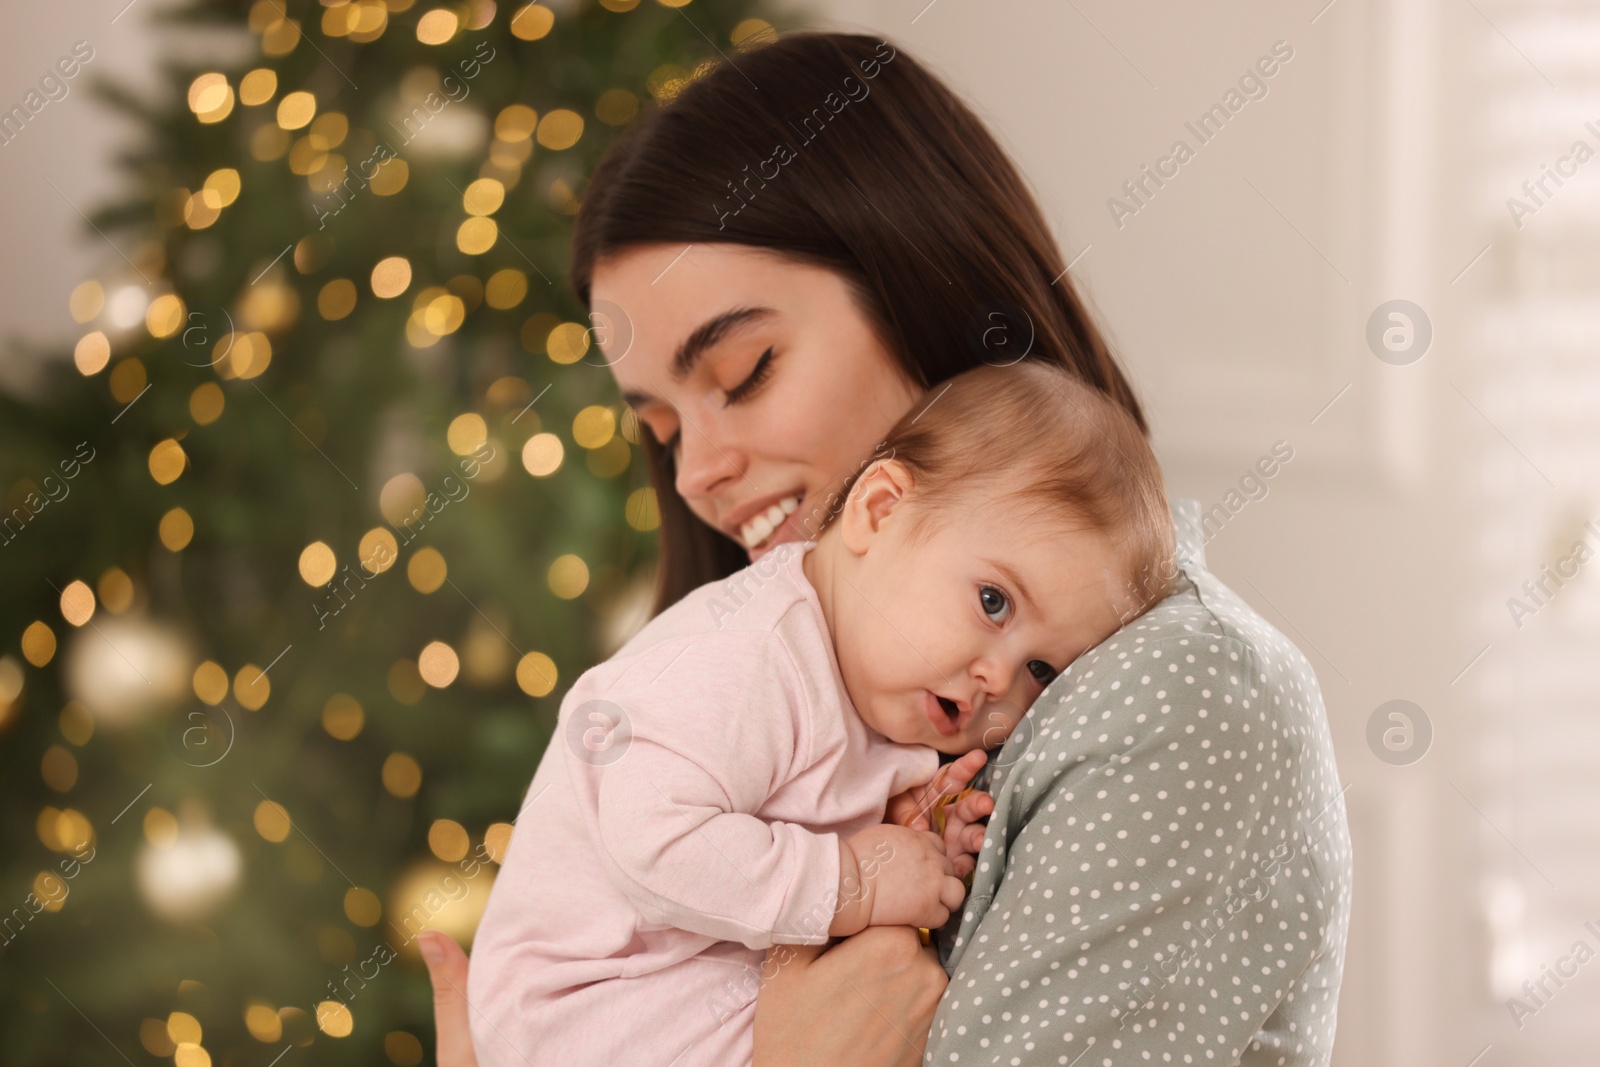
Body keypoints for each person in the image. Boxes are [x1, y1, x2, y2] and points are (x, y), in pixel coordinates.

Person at [420, 30, 1351, 1067]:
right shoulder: (788, 673)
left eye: (743, 369)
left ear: (926, 280)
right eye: (664, 425)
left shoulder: (1177, 693)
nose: (695, 475)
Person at [465, 364, 1176, 1065]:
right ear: (879, 511)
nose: (999, 678)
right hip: (588, 1004)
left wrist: (917, 831)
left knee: (883, 984)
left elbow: (804, 812)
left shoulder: (877, 673)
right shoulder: (750, 654)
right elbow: (653, 839)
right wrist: (853, 879)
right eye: (994, 601)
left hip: (675, 978)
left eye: (1041, 669)